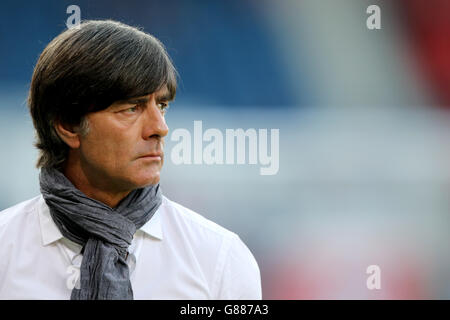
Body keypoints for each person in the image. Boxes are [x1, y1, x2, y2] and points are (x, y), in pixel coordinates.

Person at [0, 20, 261, 300]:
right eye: (131, 108)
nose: (159, 127)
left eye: (162, 106)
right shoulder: (5, 249)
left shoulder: (219, 258)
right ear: (68, 124)